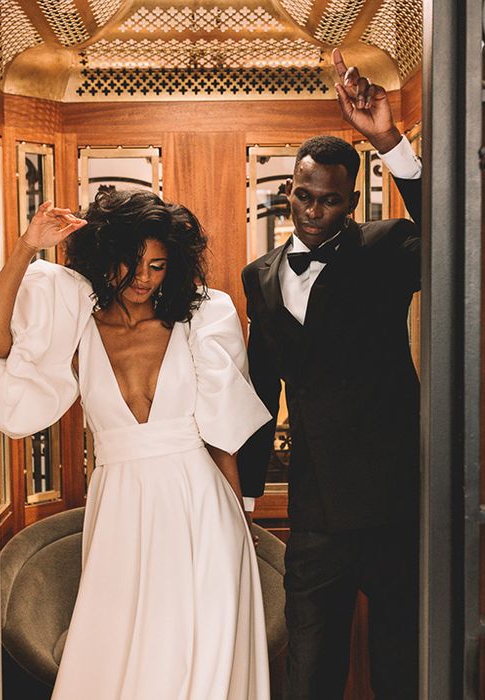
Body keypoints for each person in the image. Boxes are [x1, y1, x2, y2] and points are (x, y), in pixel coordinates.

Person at [0, 189, 273, 699]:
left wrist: (240, 514)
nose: (143, 278)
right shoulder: (77, 320)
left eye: (158, 266)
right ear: (105, 257)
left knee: (205, 651)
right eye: (132, 262)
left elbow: (220, 434)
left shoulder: (200, 319)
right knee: (124, 653)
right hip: (121, 505)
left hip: (202, 505)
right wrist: (25, 246)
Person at [238, 48, 422, 699]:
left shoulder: (387, 249)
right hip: (315, 513)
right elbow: (262, 384)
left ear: (351, 203)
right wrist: (248, 491)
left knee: (402, 668)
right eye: (304, 194)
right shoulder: (259, 277)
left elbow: (456, 236)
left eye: (330, 201)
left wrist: (390, 143)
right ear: (290, 187)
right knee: (310, 668)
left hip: (396, 503)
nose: (313, 210)